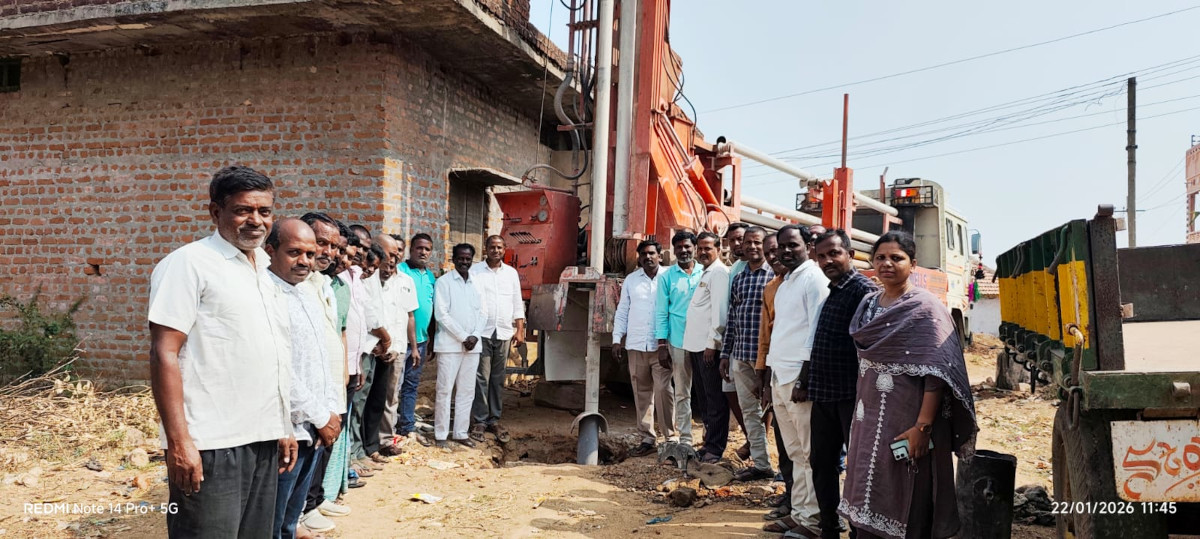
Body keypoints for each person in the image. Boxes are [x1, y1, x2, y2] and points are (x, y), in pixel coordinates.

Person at [148, 165, 295, 538]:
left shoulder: (264, 269)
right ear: (216, 212)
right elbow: (164, 353)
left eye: (264, 211)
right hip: (211, 442)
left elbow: (270, 354)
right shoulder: (189, 264)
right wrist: (179, 442)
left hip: (262, 438)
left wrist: (282, 426)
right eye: (243, 210)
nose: (256, 221)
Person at [839, 231, 977, 539]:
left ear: (913, 264)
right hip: (867, 414)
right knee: (866, 477)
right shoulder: (868, 304)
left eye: (896, 258)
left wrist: (922, 427)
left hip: (907, 414)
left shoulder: (926, 308)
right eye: (880, 258)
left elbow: (937, 374)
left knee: (904, 480)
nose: (886, 263)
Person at [264, 219, 341, 539]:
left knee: (291, 515)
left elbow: (322, 359)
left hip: (316, 424)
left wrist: (331, 412)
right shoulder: (267, 295)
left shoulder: (307, 292)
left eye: (309, 254)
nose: (305, 261)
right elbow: (277, 368)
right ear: (271, 251)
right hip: (288, 428)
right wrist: (321, 416)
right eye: (294, 252)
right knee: (273, 516)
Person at [805, 229, 879, 539]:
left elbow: (871, 346)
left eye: (834, 253)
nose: (827, 261)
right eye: (821, 256)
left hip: (852, 395)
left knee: (859, 466)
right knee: (822, 462)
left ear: (850, 254)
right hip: (824, 393)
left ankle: (860, 530)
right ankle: (829, 527)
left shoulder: (863, 291)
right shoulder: (834, 289)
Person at [760, 224, 828, 539]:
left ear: (808, 246)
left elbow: (816, 331)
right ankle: (799, 513)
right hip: (781, 376)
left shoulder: (813, 279)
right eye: (782, 246)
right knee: (795, 452)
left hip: (799, 380)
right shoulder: (786, 282)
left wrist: (805, 377)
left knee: (809, 453)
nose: (786, 251)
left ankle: (813, 522)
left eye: (793, 245)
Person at [296, 213, 352, 533]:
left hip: (329, 384)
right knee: (307, 448)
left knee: (322, 446)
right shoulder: (295, 285)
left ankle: (313, 502)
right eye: (321, 243)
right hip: (305, 391)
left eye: (333, 246)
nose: (328, 252)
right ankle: (303, 510)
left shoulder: (323, 284)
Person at [720, 226, 775, 482]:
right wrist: (725, 354)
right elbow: (732, 318)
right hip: (741, 355)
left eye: (757, 242)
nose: (752, 247)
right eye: (748, 242)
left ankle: (788, 473)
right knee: (749, 411)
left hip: (768, 359)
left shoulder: (775, 276)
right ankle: (761, 465)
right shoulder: (739, 278)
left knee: (778, 413)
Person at [612, 240, 675, 457]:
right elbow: (623, 311)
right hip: (636, 345)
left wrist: (667, 343)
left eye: (651, 253)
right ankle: (647, 438)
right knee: (641, 392)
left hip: (661, 347)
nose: (648, 257)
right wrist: (617, 339)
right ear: (639, 258)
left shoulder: (669, 277)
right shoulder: (632, 280)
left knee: (664, 390)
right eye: (643, 254)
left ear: (660, 255)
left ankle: (670, 438)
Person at [469, 235, 526, 443]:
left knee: (497, 378)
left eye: (499, 247)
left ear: (504, 249)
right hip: (482, 332)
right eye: (492, 247)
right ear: (486, 248)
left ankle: (494, 419)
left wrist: (519, 329)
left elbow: (517, 302)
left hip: (503, 332)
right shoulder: (475, 271)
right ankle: (480, 420)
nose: (496, 250)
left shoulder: (511, 273)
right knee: (481, 377)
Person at [755, 232, 795, 520]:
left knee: (803, 447)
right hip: (776, 372)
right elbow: (766, 336)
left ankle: (807, 507)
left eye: (776, 250)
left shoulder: (809, 282)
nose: (773, 257)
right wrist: (763, 374)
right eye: (769, 252)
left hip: (799, 376)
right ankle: (791, 496)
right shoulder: (771, 288)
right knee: (784, 441)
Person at [433, 243, 488, 449]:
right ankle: (440, 434)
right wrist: (464, 336)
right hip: (449, 346)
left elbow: (484, 312)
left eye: (468, 259)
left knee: (467, 391)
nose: (464, 262)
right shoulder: (444, 282)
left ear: (472, 260)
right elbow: (442, 314)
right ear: (453, 259)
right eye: (461, 258)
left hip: (473, 347)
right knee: (444, 390)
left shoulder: (477, 283)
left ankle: (461, 433)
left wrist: (475, 336)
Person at [682, 232, 730, 463]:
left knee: (714, 400)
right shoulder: (706, 272)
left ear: (718, 249)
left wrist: (713, 344)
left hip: (708, 348)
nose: (702, 252)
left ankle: (715, 447)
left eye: (707, 248)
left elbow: (719, 313)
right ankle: (709, 443)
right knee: (703, 399)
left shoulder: (718, 273)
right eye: (699, 248)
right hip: (696, 346)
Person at [370, 235, 419, 458]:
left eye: (398, 251)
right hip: (374, 347)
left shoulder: (406, 281)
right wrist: (381, 342)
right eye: (391, 252)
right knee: (370, 396)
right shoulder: (373, 277)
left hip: (397, 347)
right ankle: (368, 443)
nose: (394, 257)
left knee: (391, 396)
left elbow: (410, 316)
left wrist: (413, 347)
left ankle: (386, 439)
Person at [654, 231, 703, 446]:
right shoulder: (666, 277)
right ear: (674, 250)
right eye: (679, 247)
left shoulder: (705, 272)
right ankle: (685, 439)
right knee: (682, 391)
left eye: (687, 246)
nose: (684, 251)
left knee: (706, 391)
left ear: (695, 248)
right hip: (678, 341)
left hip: (703, 343)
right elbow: (661, 312)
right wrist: (662, 344)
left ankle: (709, 436)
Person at [396, 233, 437, 441]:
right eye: (419, 248)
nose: (423, 252)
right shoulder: (400, 271)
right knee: (394, 386)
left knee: (411, 385)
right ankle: (387, 428)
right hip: (398, 341)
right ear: (411, 249)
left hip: (420, 341)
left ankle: (406, 425)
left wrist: (431, 340)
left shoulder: (430, 277)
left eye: (427, 249)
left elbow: (433, 310)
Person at [721, 222, 751, 460]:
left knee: (756, 395)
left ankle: (756, 440)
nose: (737, 244)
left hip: (754, 343)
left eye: (741, 239)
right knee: (730, 389)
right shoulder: (735, 269)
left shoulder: (764, 269)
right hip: (735, 340)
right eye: (732, 240)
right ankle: (750, 435)